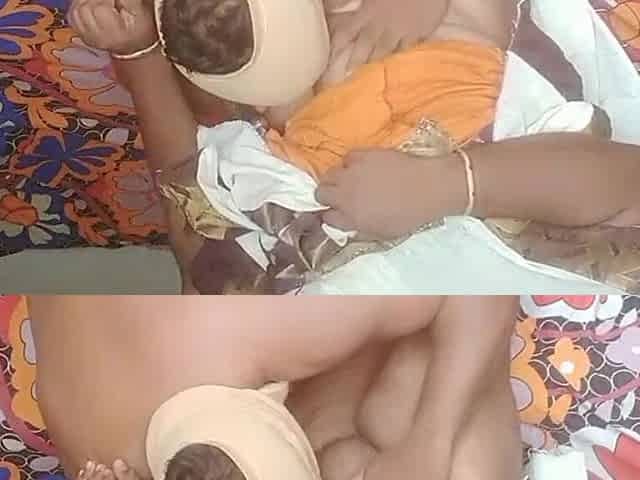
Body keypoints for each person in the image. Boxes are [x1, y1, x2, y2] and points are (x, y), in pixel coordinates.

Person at [29, 295, 520, 480]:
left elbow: (483, 286)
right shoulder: (106, 460)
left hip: (228, 334)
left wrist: (429, 444)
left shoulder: (240, 329)